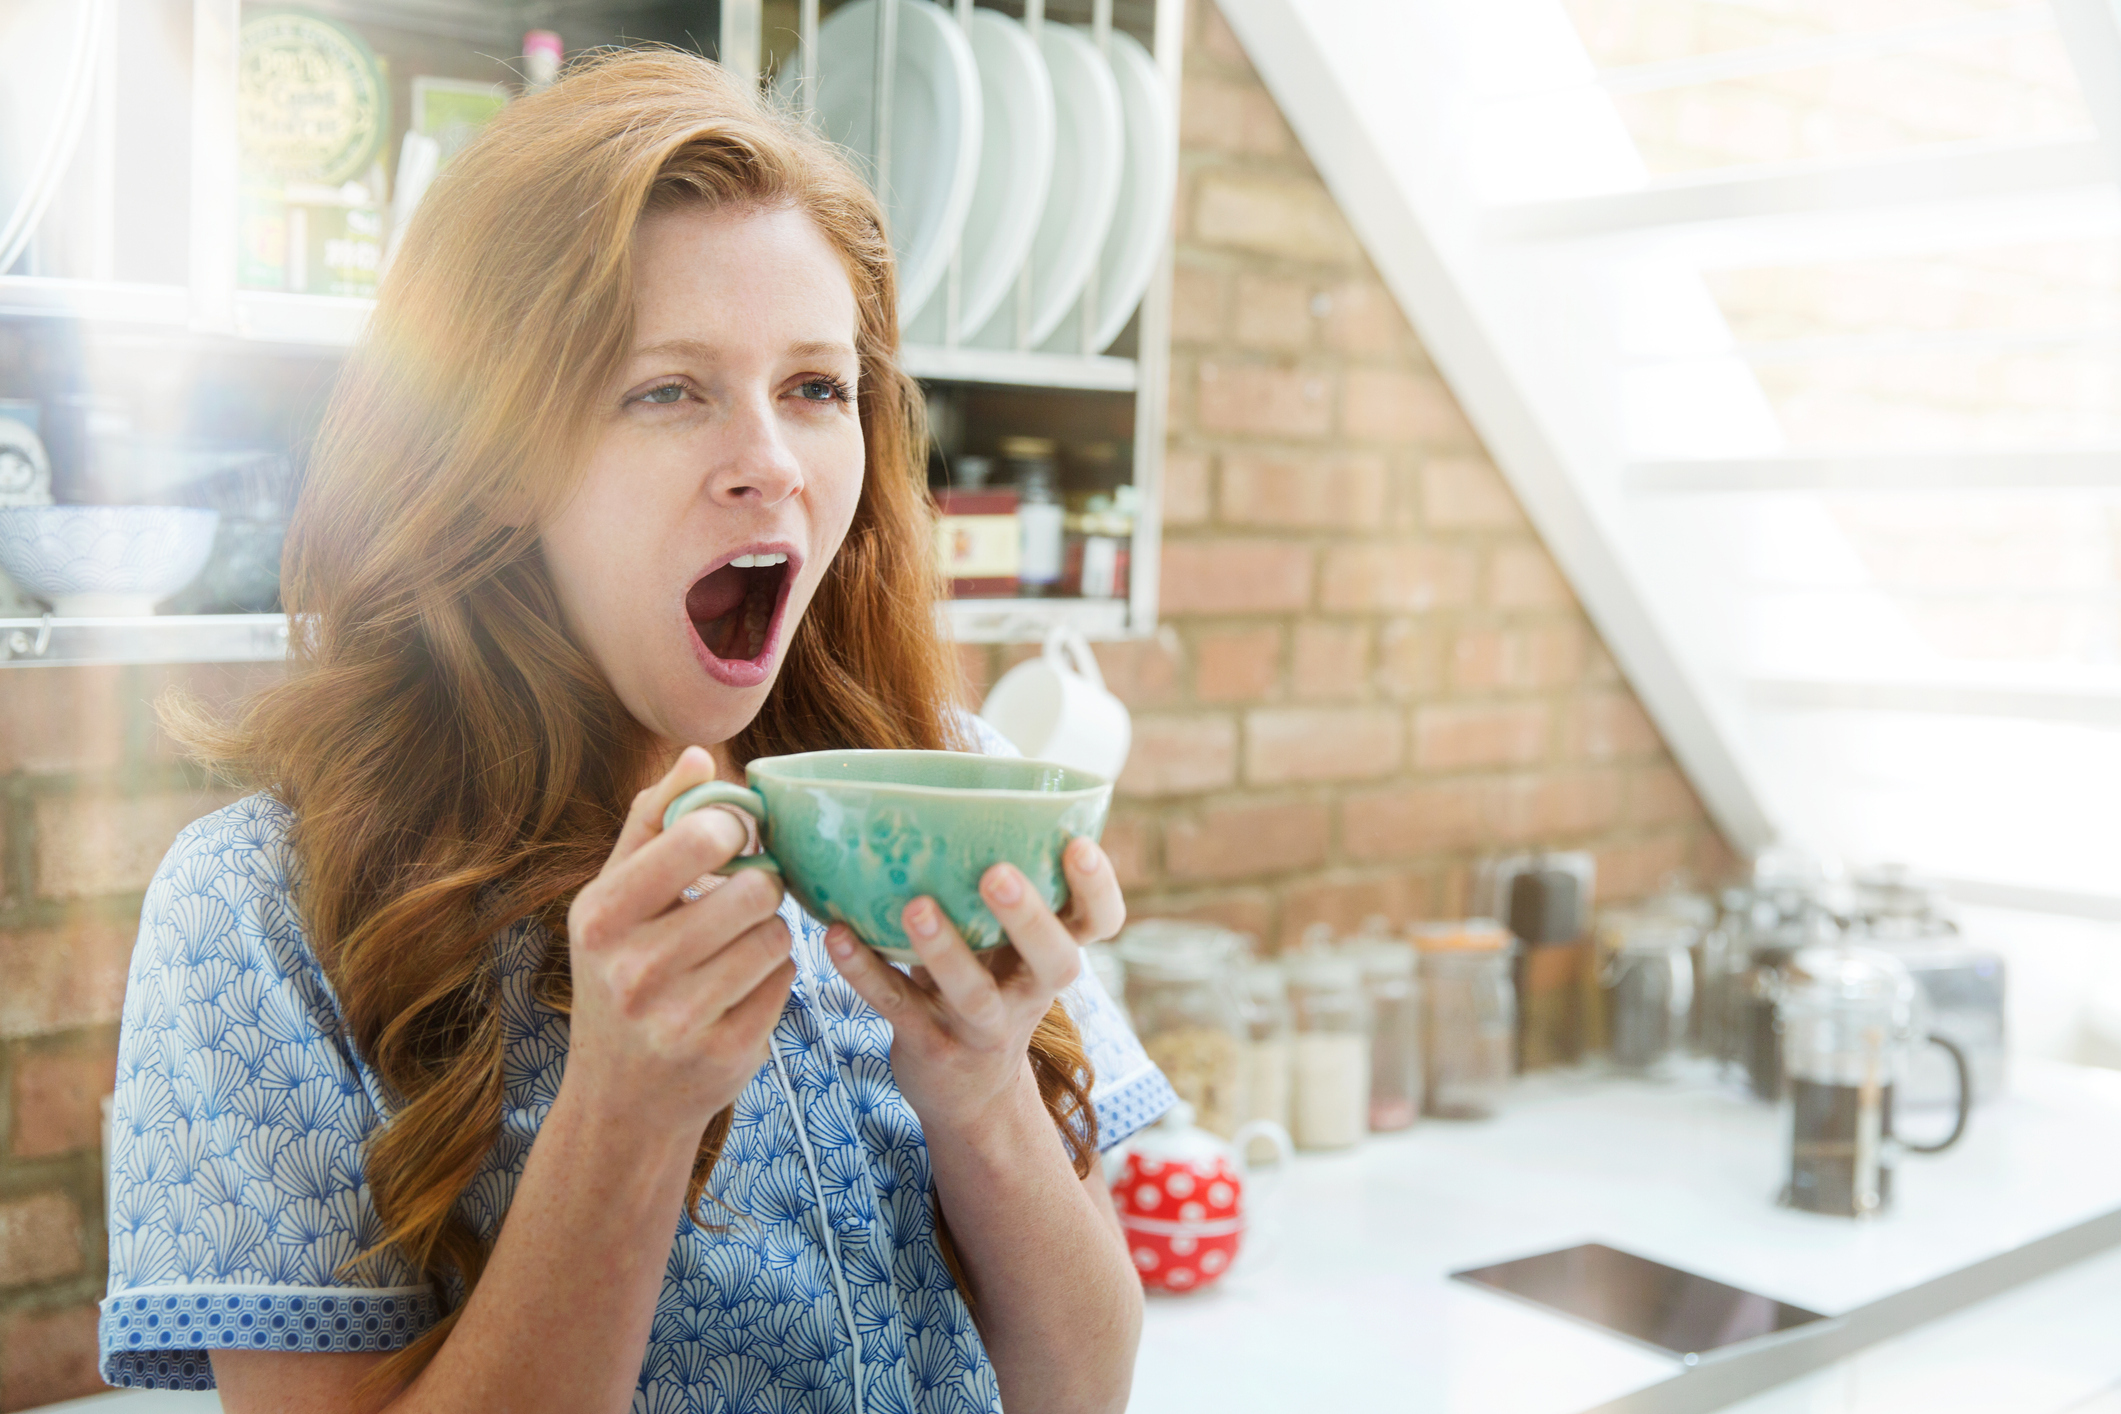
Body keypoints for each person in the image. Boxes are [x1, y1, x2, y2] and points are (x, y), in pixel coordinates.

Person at [98, 49, 1173, 1414]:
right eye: (669, 389)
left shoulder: (946, 793)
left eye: (813, 387)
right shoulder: (260, 905)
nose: (772, 462)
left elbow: (1083, 1386)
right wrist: (626, 1113)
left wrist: (982, 1094)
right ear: (493, 456)